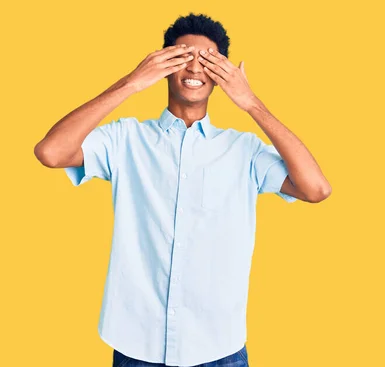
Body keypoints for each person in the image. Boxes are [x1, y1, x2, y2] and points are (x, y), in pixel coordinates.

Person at [34, 12, 331, 367]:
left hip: (219, 348)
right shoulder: (126, 138)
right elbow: (51, 152)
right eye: (182, 58)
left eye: (207, 62)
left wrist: (251, 102)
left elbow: (316, 188)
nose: (193, 70)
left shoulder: (244, 150)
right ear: (162, 66)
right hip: (135, 346)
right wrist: (131, 83)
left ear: (221, 76)